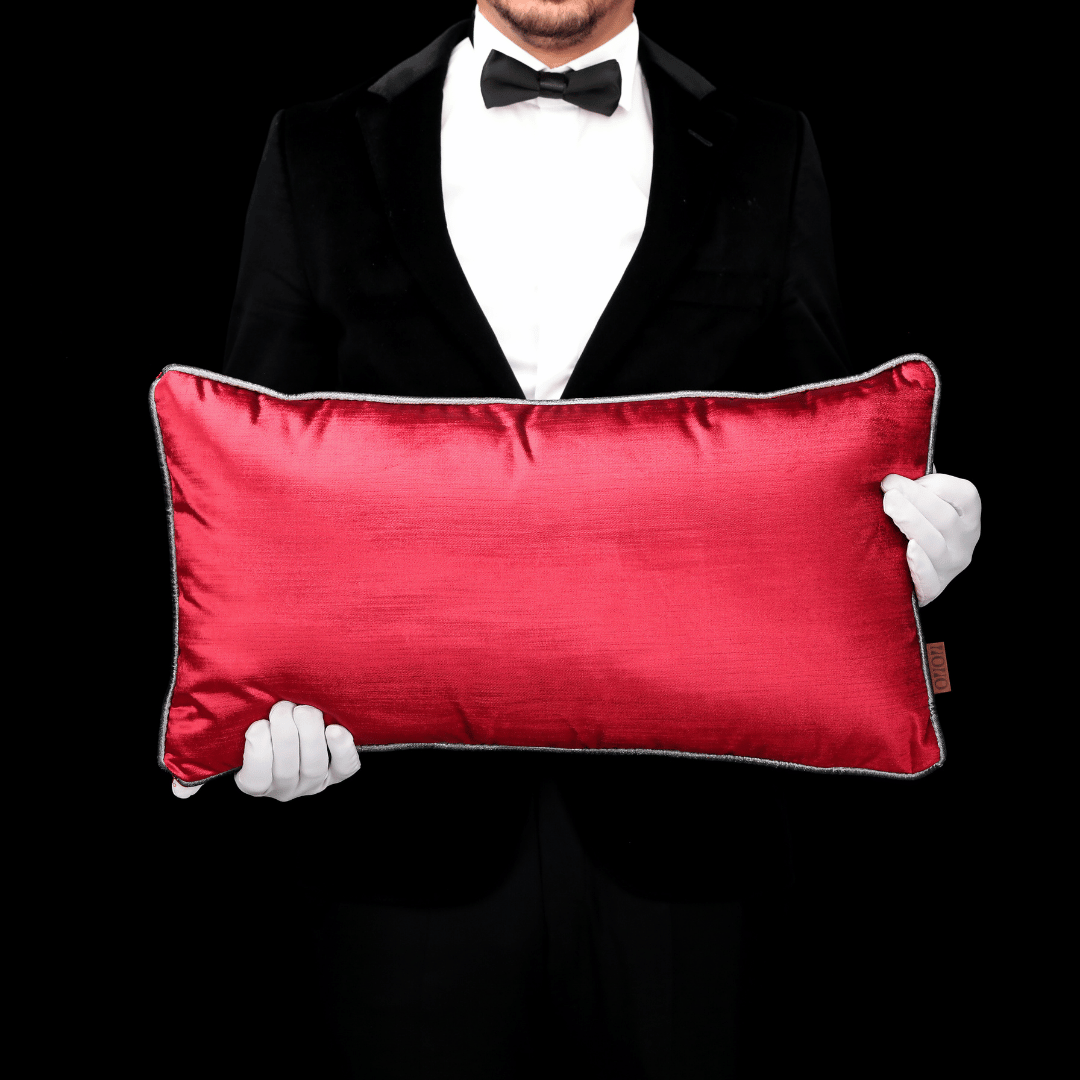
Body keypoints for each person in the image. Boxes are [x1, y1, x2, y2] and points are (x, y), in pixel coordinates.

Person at [173, 3, 981, 1076]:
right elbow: (251, 497)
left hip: (696, 858)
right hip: (388, 845)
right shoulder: (316, 144)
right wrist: (250, 746)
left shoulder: (770, 146)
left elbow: (827, 475)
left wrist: (920, 590)